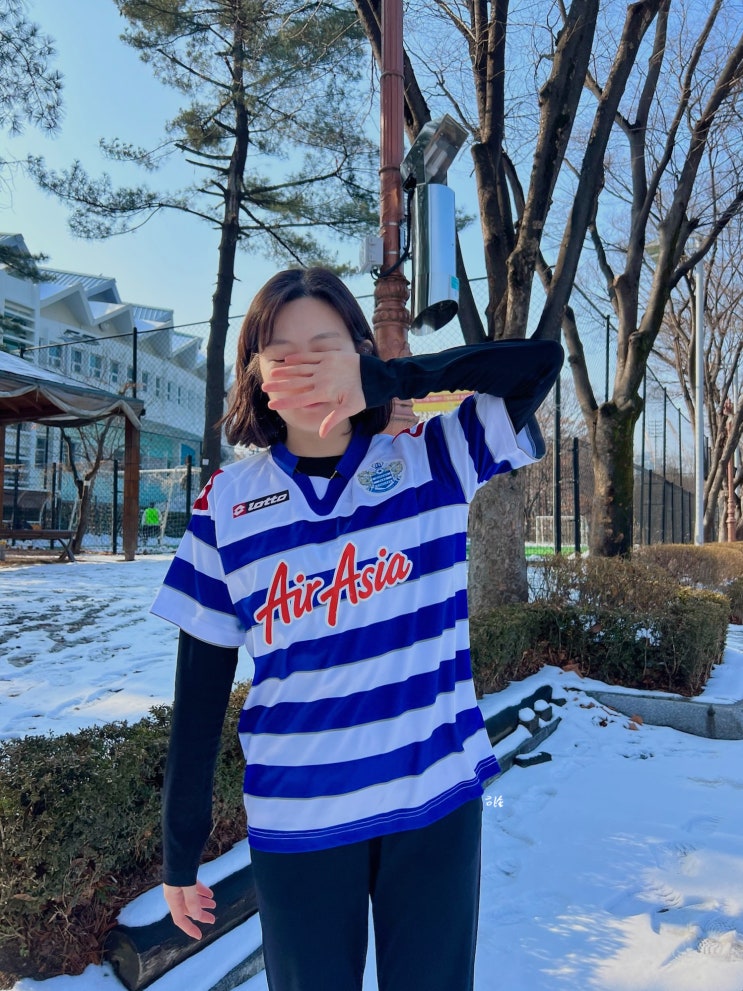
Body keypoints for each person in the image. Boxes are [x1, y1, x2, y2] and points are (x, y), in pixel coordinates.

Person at [151, 267, 562, 991]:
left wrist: (390, 380)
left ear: (361, 357)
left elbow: (536, 366)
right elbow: (200, 693)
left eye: (326, 350)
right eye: (282, 353)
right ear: (255, 373)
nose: (307, 369)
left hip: (433, 801)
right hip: (298, 818)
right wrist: (179, 854)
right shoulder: (226, 505)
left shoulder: (433, 457)